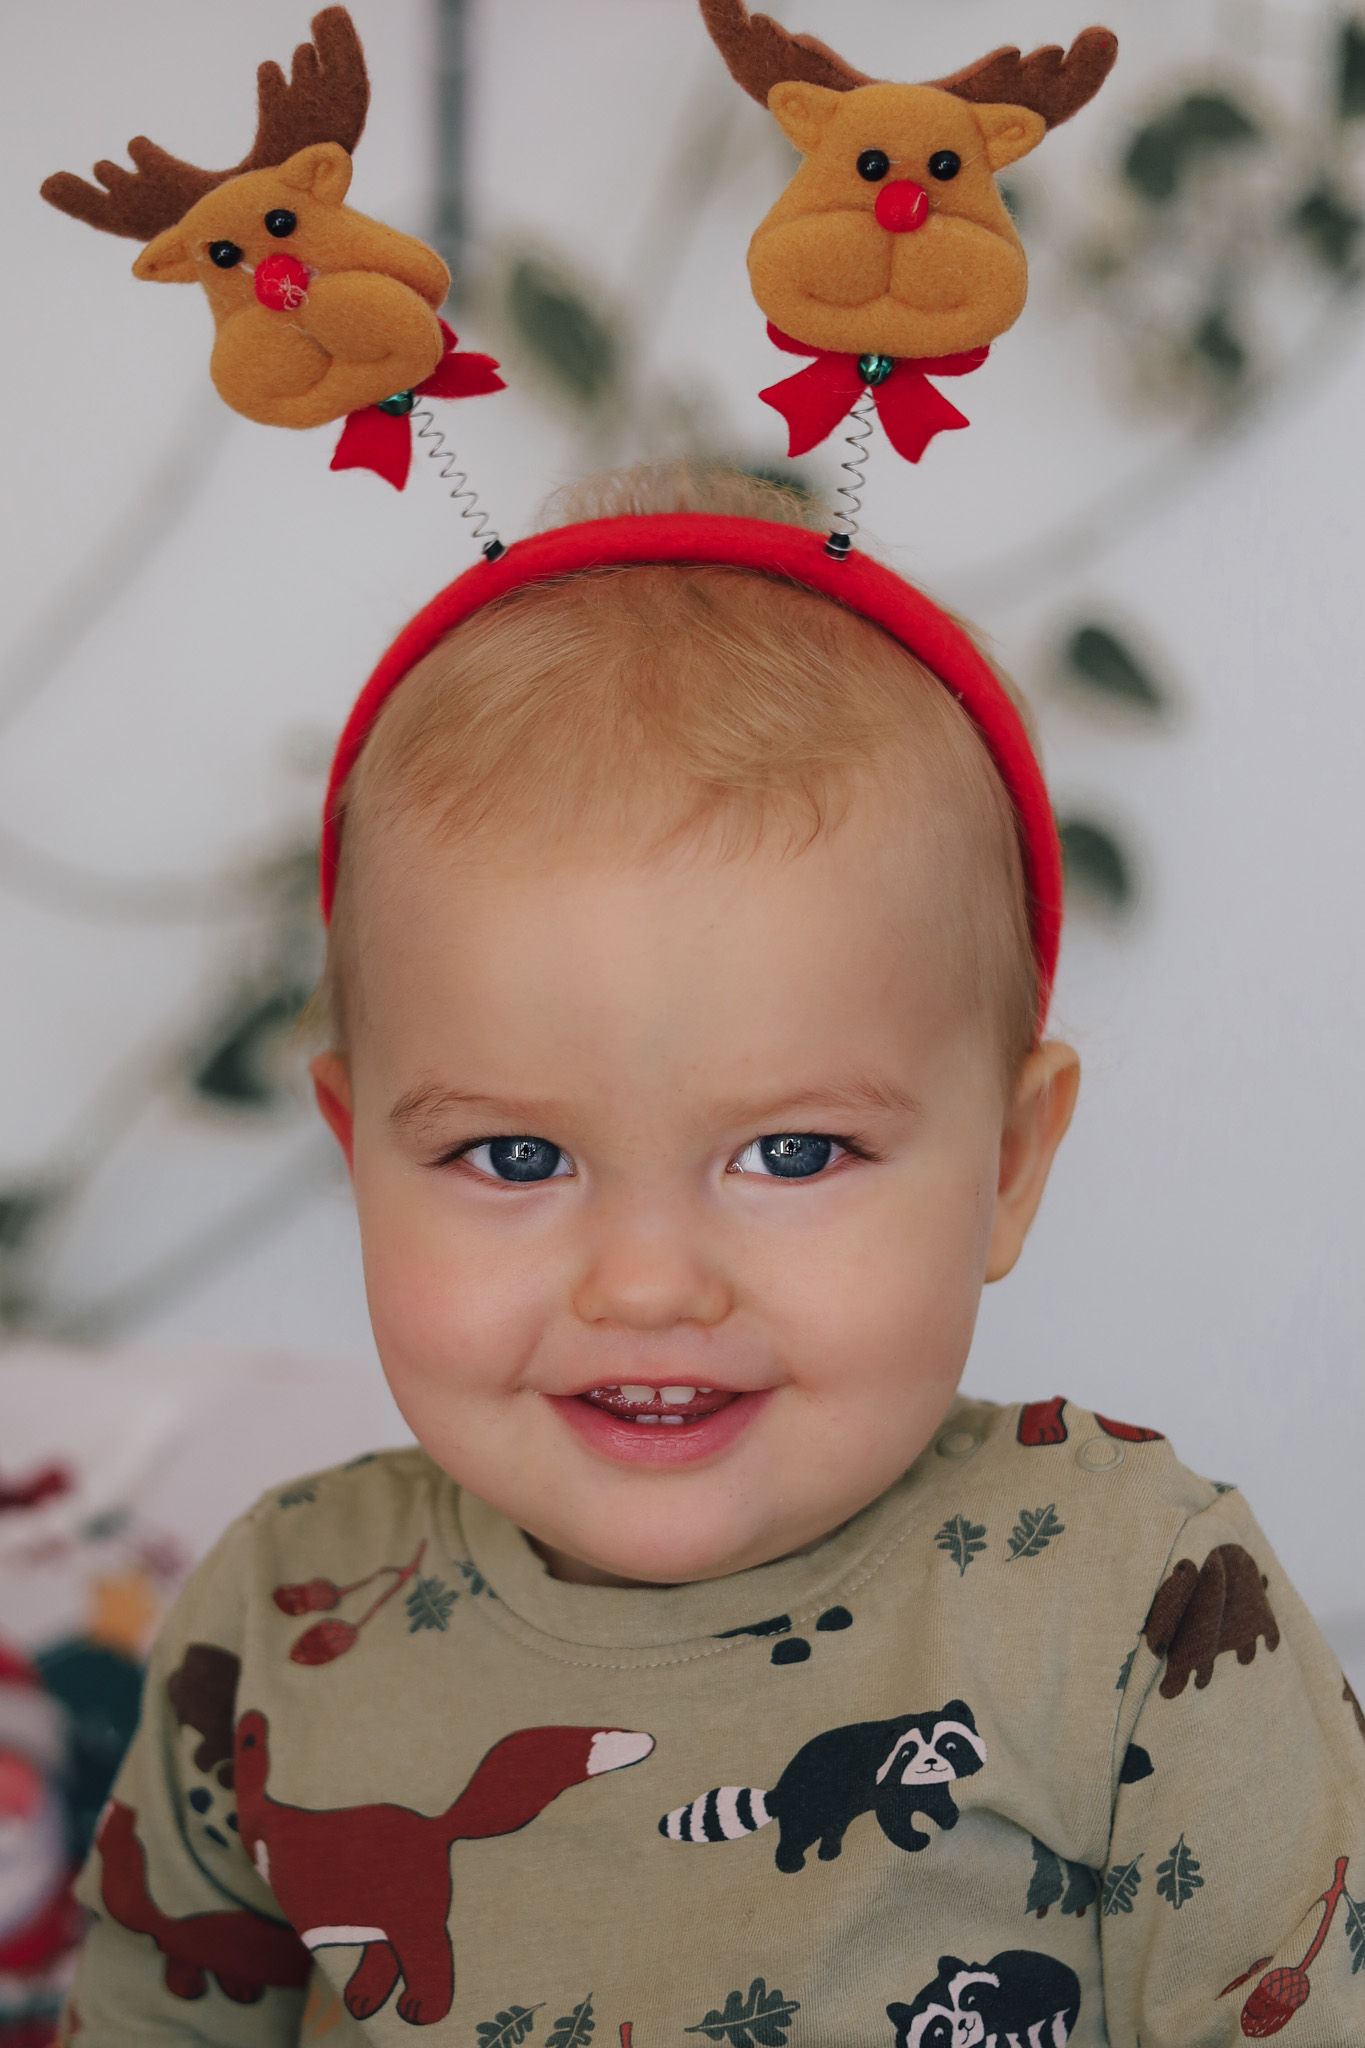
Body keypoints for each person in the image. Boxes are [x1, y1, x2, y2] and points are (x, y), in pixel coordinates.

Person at [63, 466, 1365, 2047]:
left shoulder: (1138, 1609)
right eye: (513, 1157)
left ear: (1009, 1166)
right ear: (357, 1160)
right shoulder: (279, 1613)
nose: (647, 1284)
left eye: (791, 1153)